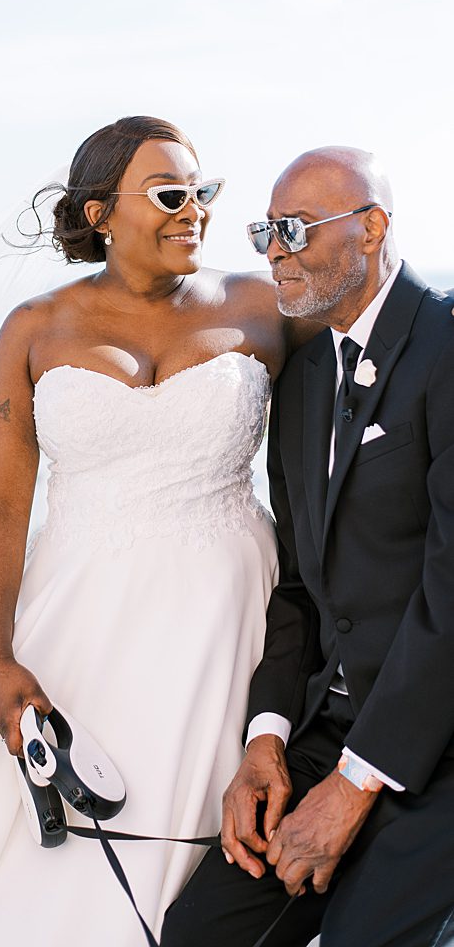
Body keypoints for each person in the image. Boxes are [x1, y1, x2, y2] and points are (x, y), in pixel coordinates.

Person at [0, 117, 308, 945]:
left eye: (203, 192)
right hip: (76, 616)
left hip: (227, 617)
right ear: (100, 213)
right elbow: (2, 502)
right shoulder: (34, 329)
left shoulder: (265, 308)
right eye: (170, 194)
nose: (195, 212)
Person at [162, 150, 454, 946]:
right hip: (332, 728)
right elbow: (298, 588)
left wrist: (355, 787)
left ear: (373, 227)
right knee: (197, 935)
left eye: (293, 229)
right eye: (264, 231)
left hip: (441, 741)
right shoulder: (299, 376)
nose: (273, 251)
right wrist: (266, 741)